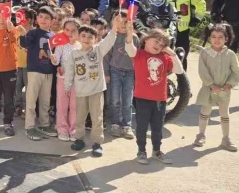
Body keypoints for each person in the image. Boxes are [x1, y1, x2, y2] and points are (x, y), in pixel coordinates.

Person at [66, 15, 134, 157]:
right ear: (78, 37)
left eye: (90, 37)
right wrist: (67, 86)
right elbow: (70, 71)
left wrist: (115, 27)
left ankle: (97, 143)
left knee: (97, 118)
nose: (86, 39)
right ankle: (79, 139)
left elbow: (109, 40)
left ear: (96, 39)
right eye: (83, 36)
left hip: (96, 91)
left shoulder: (98, 50)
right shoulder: (74, 54)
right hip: (80, 92)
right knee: (80, 117)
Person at [133, 29, 179, 165]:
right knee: (141, 126)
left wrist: (173, 54)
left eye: (162, 44)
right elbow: (129, 48)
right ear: (146, 39)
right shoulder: (139, 54)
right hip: (142, 98)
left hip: (160, 99)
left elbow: (177, 70)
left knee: (157, 127)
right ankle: (141, 151)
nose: (158, 45)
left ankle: (157, 150)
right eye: (156, 41)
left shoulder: (165, 57)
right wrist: (130, 34)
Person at [194, 23, 239, 152]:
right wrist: (211, 84)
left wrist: (229, 84)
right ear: (210, 38)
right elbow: (202, 71)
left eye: (221, 37)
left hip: (224, 91)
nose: (217, 39)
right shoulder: (205, 53)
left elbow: (236, 72)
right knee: (206, 111)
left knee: (224, 113)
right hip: (208, 89)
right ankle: (201, 135)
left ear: (226, 39)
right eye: (214, 36)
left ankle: (226, 139)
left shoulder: (230, 54)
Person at [151, 0, 207, 67]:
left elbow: (201, 3)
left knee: (182, 56)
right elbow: (149, 3)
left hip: (183, 28)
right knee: (161, 56)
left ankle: (182, 82)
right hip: (164, 29)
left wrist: (197, 19)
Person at [22, 6, 56, 141]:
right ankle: (29, 127)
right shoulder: (33, 33)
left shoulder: (53, 36)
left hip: (48, 72)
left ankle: (44, 124)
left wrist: (55, 63)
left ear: (52, 21)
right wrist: (22, 33)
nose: (43, 20)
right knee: (31, 100)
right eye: (41, 17)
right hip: (34, 71)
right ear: (36, 19)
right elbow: (25, 44)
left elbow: (55, 55)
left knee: (45, 101)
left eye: (47, 18)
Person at [103, 11, 139, 140]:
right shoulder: (112, 36)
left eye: (126, 22)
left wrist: (137, 76)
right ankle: (115, 124)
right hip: (115, 71)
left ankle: (127, 125)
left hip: (130, 72)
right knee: (115, 100)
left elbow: (137, 57)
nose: (123, 25)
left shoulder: (134, 38)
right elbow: (106, 57)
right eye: (120, 22)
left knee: (127, 100)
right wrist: (106, 73)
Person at [52, 19, 81, 141]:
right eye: (67, 30)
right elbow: (57, 60)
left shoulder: (81, 45)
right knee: (62, 105)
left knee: (75, 106)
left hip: (77, 81)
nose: (70, 33)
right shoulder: (61, 45)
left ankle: (73, 129)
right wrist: (53, 59)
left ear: (78, 31)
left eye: (73, 30)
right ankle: (62, 128)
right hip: (62, 79)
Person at [14, 8, 35, 119]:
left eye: (24, 17)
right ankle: (18, 106)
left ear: (30, 19)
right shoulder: (16, 29)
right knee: (17, 86)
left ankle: (28, 108)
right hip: (17, 64)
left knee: (28, 87)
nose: (21, 19)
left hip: (29, 65)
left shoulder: (34, 31)